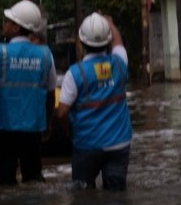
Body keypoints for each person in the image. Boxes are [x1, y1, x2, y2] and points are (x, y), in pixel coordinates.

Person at [0, 0, 57, 185]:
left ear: (16, 28)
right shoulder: (46, 55)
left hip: (3, 129)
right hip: (32, 130)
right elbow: (50, 94)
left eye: (7, 21)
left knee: (5, 181)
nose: (4, 24)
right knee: (33, 179)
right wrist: (48, 124)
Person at [56, 13, 132, 190]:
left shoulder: (74, 74)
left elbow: (61, 113)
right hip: (119, 143)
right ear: (107, 40)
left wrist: (71, 133)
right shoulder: (120, 63)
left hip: (86, 144)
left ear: (81, 42)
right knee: (117, 197)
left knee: (83, 196)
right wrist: (110, 23)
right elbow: (118, 42)